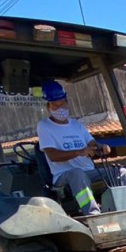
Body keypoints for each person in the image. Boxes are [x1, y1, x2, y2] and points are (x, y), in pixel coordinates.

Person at [36, 80, 111, 215]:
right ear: (48, 107)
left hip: (89, 171)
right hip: (63, 176)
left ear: (67, 102)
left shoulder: (77, 125)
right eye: (55, 105)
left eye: (62, 103)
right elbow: (53, 155)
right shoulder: (44, 126)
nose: (60, 108)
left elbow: (91, 143)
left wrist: (100, 147)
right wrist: (80, 152)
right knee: (77, 173)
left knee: (120, 172)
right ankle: (92, 214)